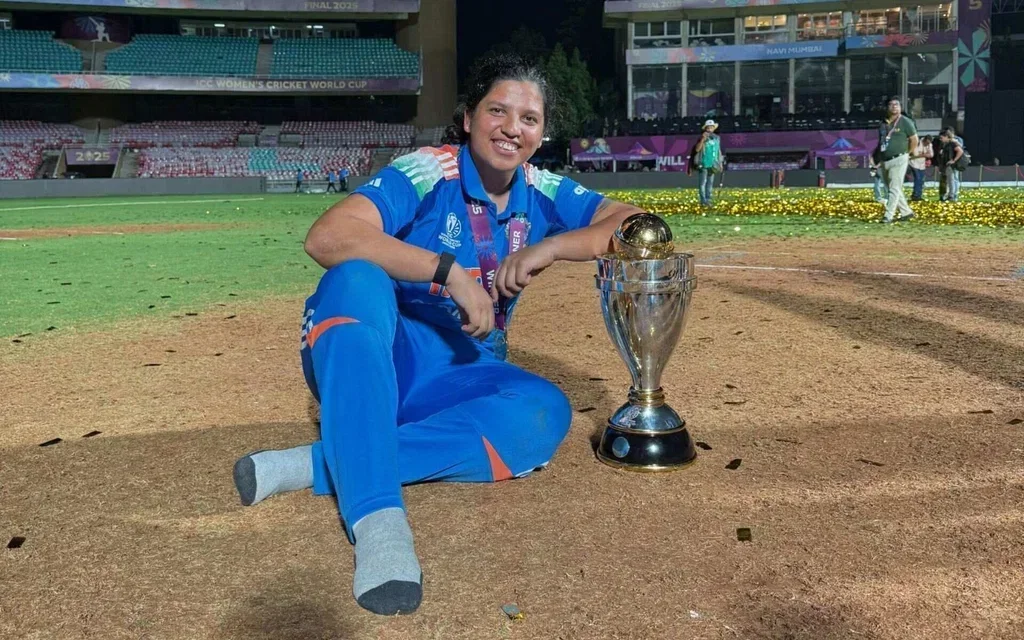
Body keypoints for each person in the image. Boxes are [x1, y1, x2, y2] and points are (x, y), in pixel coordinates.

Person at [230, 53, 645, 617]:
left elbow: (638, 227)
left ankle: (318, 462)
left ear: (542, 132)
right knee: (354, 278)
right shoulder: (428, 170)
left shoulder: (542, 188)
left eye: (529, 119)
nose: (512, 128)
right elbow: (327, 237)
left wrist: (549, 247)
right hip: (379, 354)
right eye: (497, 110)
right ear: (470, 117)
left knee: (543, 413)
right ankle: (380, 524)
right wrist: (446, 271)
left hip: (462, 368)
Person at [873, 97, 918, 223]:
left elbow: (914, 139)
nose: (894, 106)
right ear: (887, 107)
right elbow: (881, 142)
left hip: (899, 158)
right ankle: (906, 212)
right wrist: (876, 158)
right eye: (891, 104)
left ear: (901, 107)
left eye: (896, 104)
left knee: (893, 188)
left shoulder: (905, 122)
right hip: (885, 160)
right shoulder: (883, 123)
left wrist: (907, 154)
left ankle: (888, 215)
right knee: (893, 188)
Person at [689, 119, 722, 207]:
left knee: (710, 183)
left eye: (711, 127)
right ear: (706, 128)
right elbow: (697, 149)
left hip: (713, 163)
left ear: (714, 128)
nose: (710, 129)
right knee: (703, 182)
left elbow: (718, 151)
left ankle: (708, 199)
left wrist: (720, 162)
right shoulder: (702, 137)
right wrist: (703, 139)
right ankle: (703, 200)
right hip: (703, 163)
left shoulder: (717, 138)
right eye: (708, 127)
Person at [937, 128, 965, 203]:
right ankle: (951, 195)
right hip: (947, 165)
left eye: (941, 138)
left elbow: (960, 151)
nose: (940, 139)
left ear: (946, 136)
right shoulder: (945, 144)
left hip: (951, 165)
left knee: (952, 180)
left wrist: (954, 160)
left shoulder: (952, 143)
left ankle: (952, 196)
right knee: (951, 180)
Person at [909, 135, 933, 201]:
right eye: (926, 143)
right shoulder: (917, 142)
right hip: (913, 163)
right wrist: (925, 154)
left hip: (922, 165)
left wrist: (922, 155)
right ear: (924, 140)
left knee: (921, 180)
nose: (927, 144)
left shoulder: (929, 145)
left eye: (929, 143)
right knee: (918, 178)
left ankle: (918, 195)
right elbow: (915, 154)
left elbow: (931, 154)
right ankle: (916, 195)